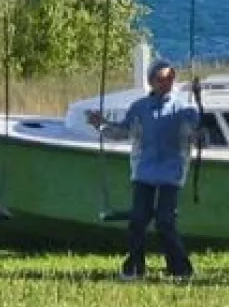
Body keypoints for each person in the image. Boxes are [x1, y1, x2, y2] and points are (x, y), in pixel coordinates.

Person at [85, 57, 201, 281]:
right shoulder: (139, 108)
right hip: (144, 172)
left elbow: (191, 134)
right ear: (151, 81)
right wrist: (100, 124)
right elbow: (122, 132)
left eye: (170, 78)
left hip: (172, 172)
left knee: (165, 221)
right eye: (161, 79)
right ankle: (135, 267)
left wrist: (197, 137)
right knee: (138, 219)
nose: (166, 83)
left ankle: (180, 269)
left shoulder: (185, 109)